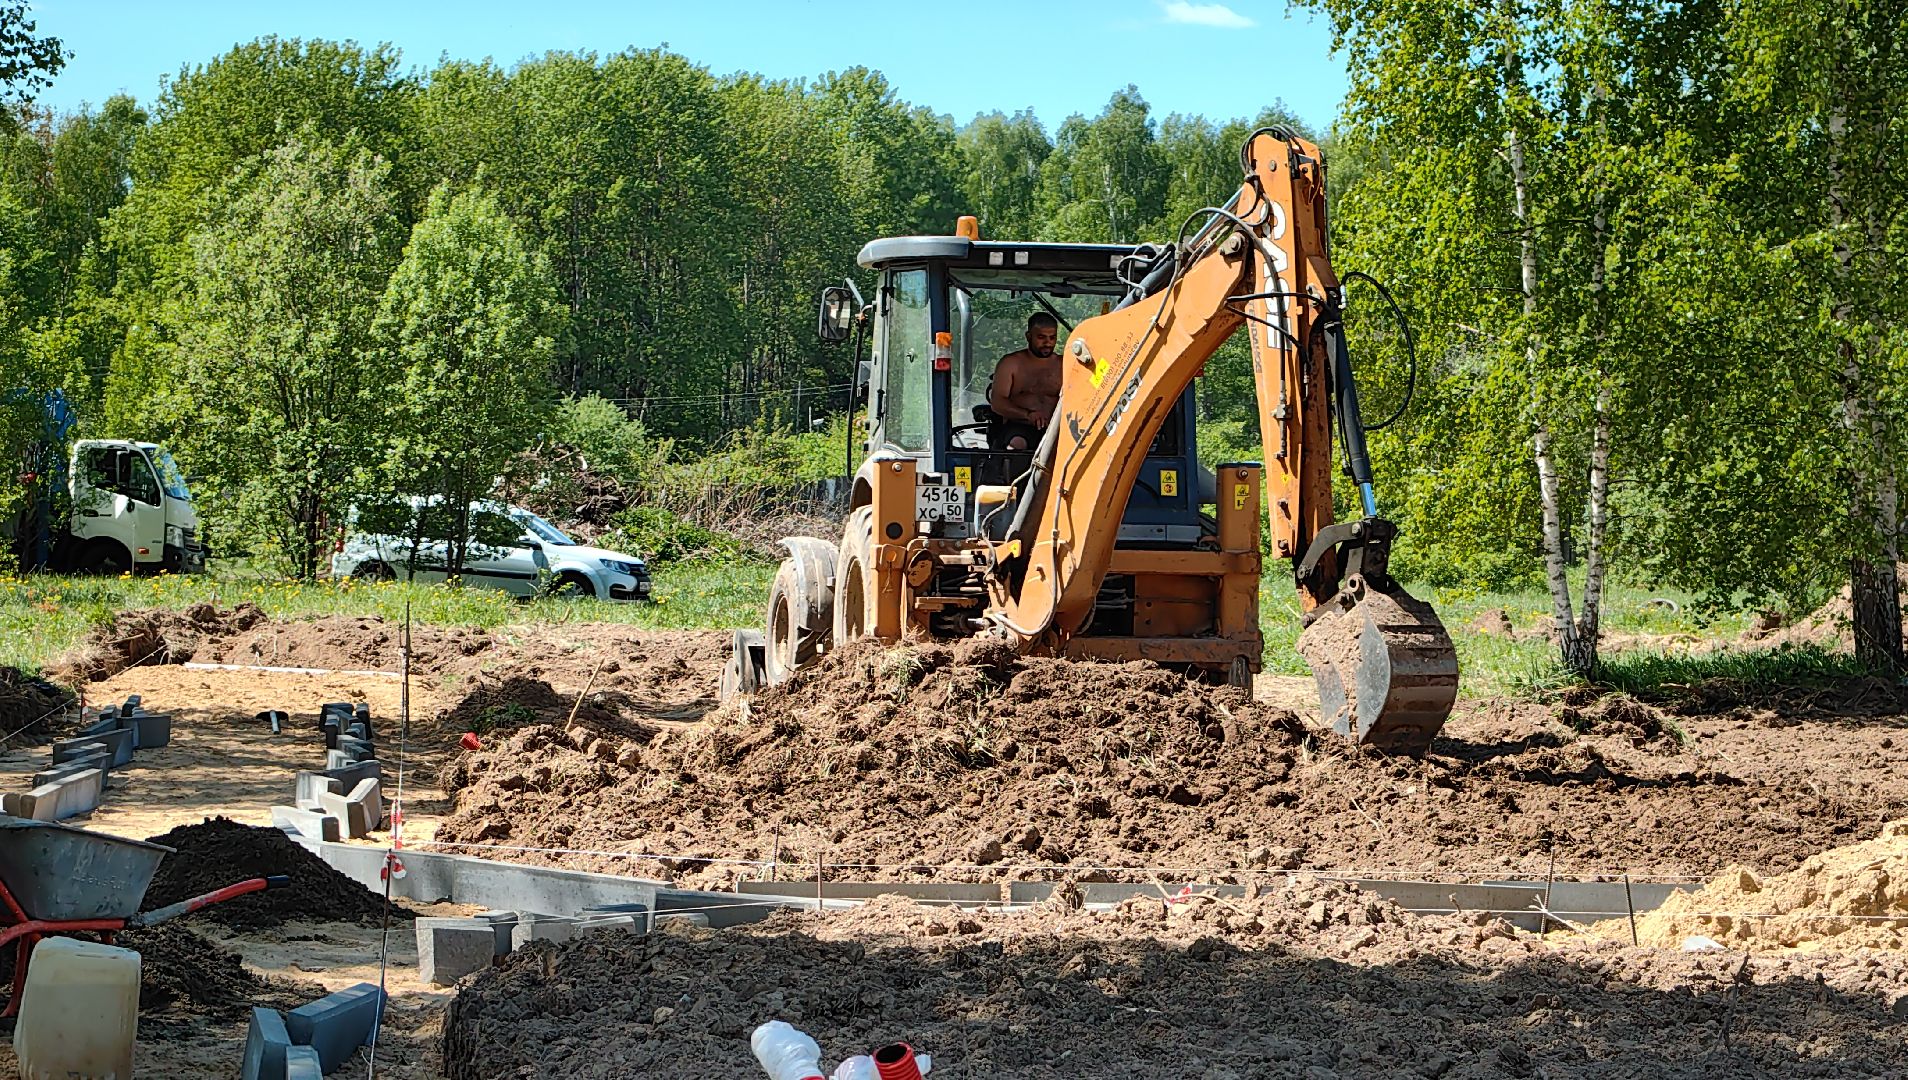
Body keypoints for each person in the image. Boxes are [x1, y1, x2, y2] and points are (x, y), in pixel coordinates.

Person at [988, 312, 1062, 450]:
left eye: (1052, 338)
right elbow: (997, 402)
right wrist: (1027, 415)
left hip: (1057, 428)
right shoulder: (1010, 364)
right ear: (1028, 336)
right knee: (1015, 445)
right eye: (1041, 337)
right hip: (1020, 426)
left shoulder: (1065, 365)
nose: (1047, 343)